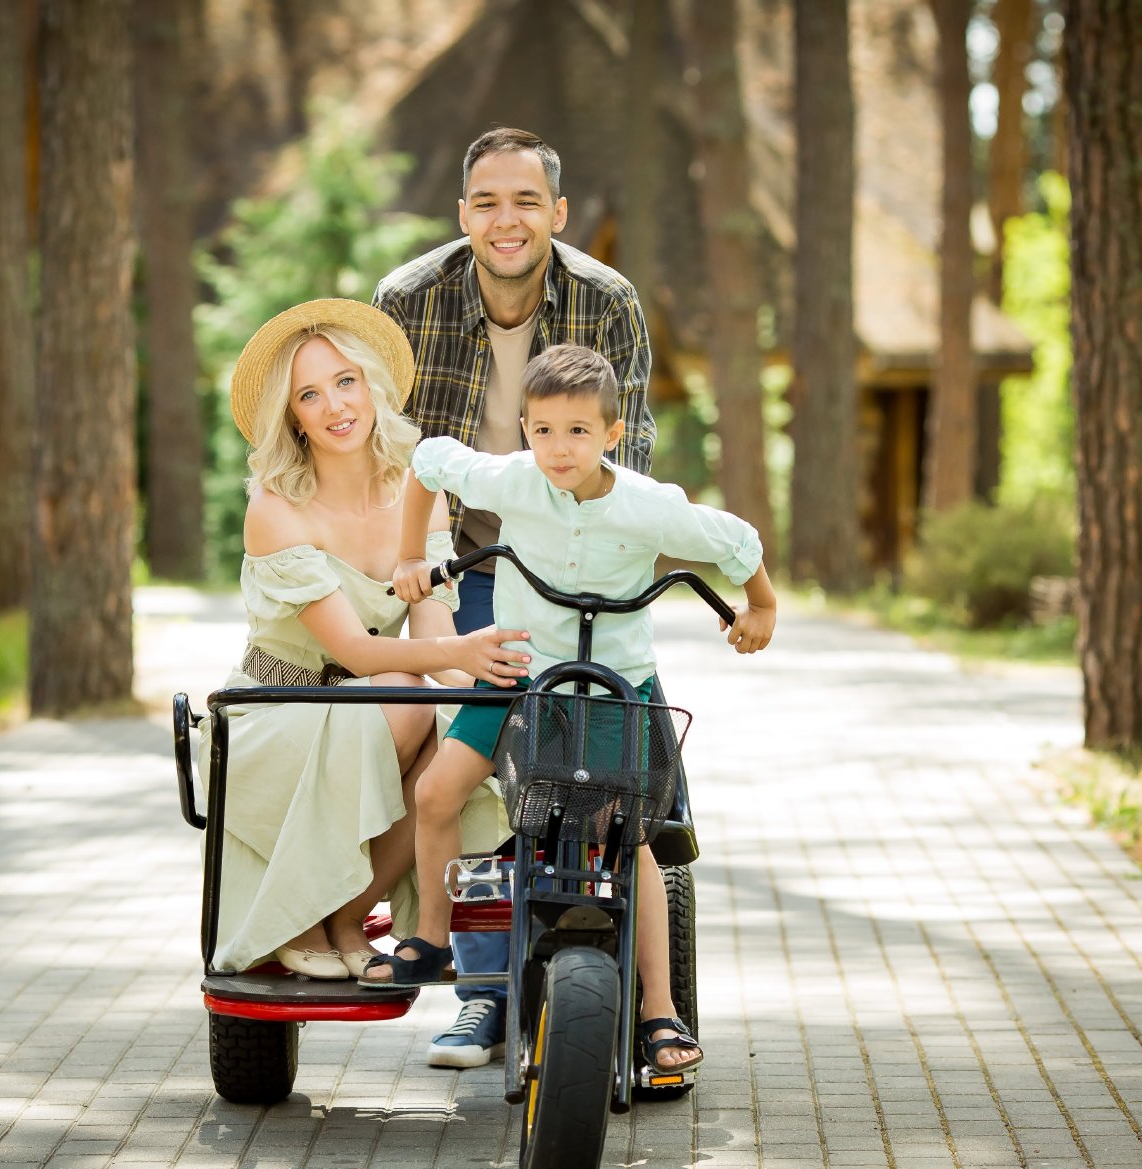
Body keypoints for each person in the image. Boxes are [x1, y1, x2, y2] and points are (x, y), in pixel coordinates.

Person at [367, 344, 778, 1077]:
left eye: (579, 431)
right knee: (435, 793)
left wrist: (762, 606)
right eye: (545, 430)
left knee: (631, 836)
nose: (560, 448)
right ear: (525, 429)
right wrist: (409, 558)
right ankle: (430, 937)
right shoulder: (513, 480)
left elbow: (737, 541)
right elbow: (429, 461)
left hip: (613, 689)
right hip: (520, 676)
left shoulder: (650, 505)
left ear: (613, 434)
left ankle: (658, 1009)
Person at [372, 125, 657, 1069]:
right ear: (463, 214)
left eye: (527, 201)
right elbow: (396, 458)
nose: (507, 220)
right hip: (458, 564)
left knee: (592, 768)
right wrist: (421, 586)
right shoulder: (408, 300)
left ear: (557, 213)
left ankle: (619, 987)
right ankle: (483, 996)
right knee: (477, 759)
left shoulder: (607, 301)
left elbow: (633, 450)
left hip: (574, 565)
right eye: (488, 202)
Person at [208, 298, 523, 979]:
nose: (335, 406)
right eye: (309, 395)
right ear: (292, 416)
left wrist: (491, 685)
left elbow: (435, 631)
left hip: (374, 704)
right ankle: (302, 917)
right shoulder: (275, 506)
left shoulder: (416, 489)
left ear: (372, 385)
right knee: (408, 695)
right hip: (280, 705)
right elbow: (356, 651)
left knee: (456, 734)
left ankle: (348, 916)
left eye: (345, 381)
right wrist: (452, 657)